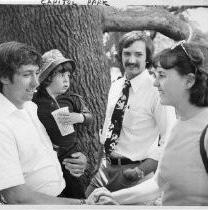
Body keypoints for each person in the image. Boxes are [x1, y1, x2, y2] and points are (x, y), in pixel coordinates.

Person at [94, 41, 208, 206]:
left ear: (188, 81)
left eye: (162, 75)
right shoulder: (178, 126)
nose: (155, 83)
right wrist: (113, 198)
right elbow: (158, 184)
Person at [0, 41, 100, 205]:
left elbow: (41, 152)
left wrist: (75, 160)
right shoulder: (0, 124)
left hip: (61, 194)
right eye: (26, 75)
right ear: (4, 77)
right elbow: (16, 197)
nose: (36, 83)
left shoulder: (30, 107)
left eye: (37, 73)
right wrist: (81, 205)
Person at [86, 31, 176, 197]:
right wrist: (99, 164)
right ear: (120, 55)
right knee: (86, 201)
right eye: (127, 54)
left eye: (138, 54)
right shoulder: (116, 86)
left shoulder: (157, 91)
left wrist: (141, 170)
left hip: (134, 174)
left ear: (147, 58)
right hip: (105, 170)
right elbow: (108, 126)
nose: (131, 60)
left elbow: (170, 138)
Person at [32, 49, 93, 199]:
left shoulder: (73, 98)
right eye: (61, 75)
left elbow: (89, 117)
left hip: (69, 153)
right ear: (47, 77)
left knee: (75, 191)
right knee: (52, 192)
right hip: (47, 154)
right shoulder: (35, 100)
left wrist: (78, 117)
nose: (67, 80)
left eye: (68, 76)